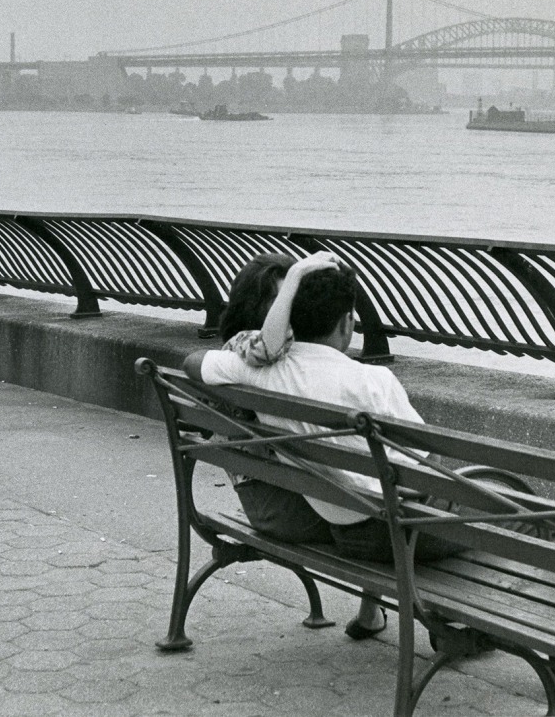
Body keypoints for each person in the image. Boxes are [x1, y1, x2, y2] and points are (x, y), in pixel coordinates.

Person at [184, 264, 462, 639]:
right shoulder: (376, 381)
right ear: (348, 323)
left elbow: (191, 363)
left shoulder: (258, 372)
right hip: (395, 534)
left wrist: (250, 343)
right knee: (522, 522)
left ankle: (419, 615)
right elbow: (426, 464)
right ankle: (531, 643)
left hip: (341, 526)